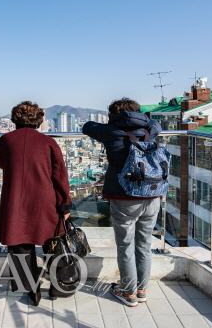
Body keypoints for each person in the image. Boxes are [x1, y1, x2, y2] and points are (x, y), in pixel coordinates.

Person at [82, 97, 162, 307]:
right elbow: (156, 123)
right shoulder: (149, 130)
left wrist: (111, 123)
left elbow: (87, 126)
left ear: (113, 115)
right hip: (152, 194)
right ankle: (142, 289)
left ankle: (128, 292)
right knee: (144, 244)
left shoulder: (111, 131)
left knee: (125, 245)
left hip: (124, 197)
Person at [0, 101, 72, 306]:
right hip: (46, 199)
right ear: (39, 120)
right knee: (53, 243)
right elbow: (60, 175)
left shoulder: (5, 140)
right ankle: (59, 286)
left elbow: (2, 162)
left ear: (15, 119)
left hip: (15, 200)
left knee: (20, 244)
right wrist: (65, 204)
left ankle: (31, 289)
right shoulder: (48, 142)